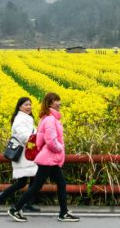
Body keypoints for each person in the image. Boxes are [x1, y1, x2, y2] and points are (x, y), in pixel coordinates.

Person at [7, 92, 80, 222]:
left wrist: (45, 150)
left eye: (59, 100)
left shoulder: (45, 118)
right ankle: (15, 209)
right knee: (38, 186)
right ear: (50, 103)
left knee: (58, 183)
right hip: (49, 158)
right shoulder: (51, 119)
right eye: (56, 101)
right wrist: (60, 148)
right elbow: (50, 140)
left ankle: (63, 212)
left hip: (48, 158)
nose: (59, 103)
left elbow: (38, 141)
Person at [0, 97, 40, 212]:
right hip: (24, 155)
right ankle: (0, 196)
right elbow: (24, 136)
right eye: (26, 105)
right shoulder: (19, 120)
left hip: (30, 154)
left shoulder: (28, 119)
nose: (29, 107)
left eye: (30, 105)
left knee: (34, 179)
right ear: (19, 107)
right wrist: (36, 140)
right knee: (22, 182)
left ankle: (27, 203)